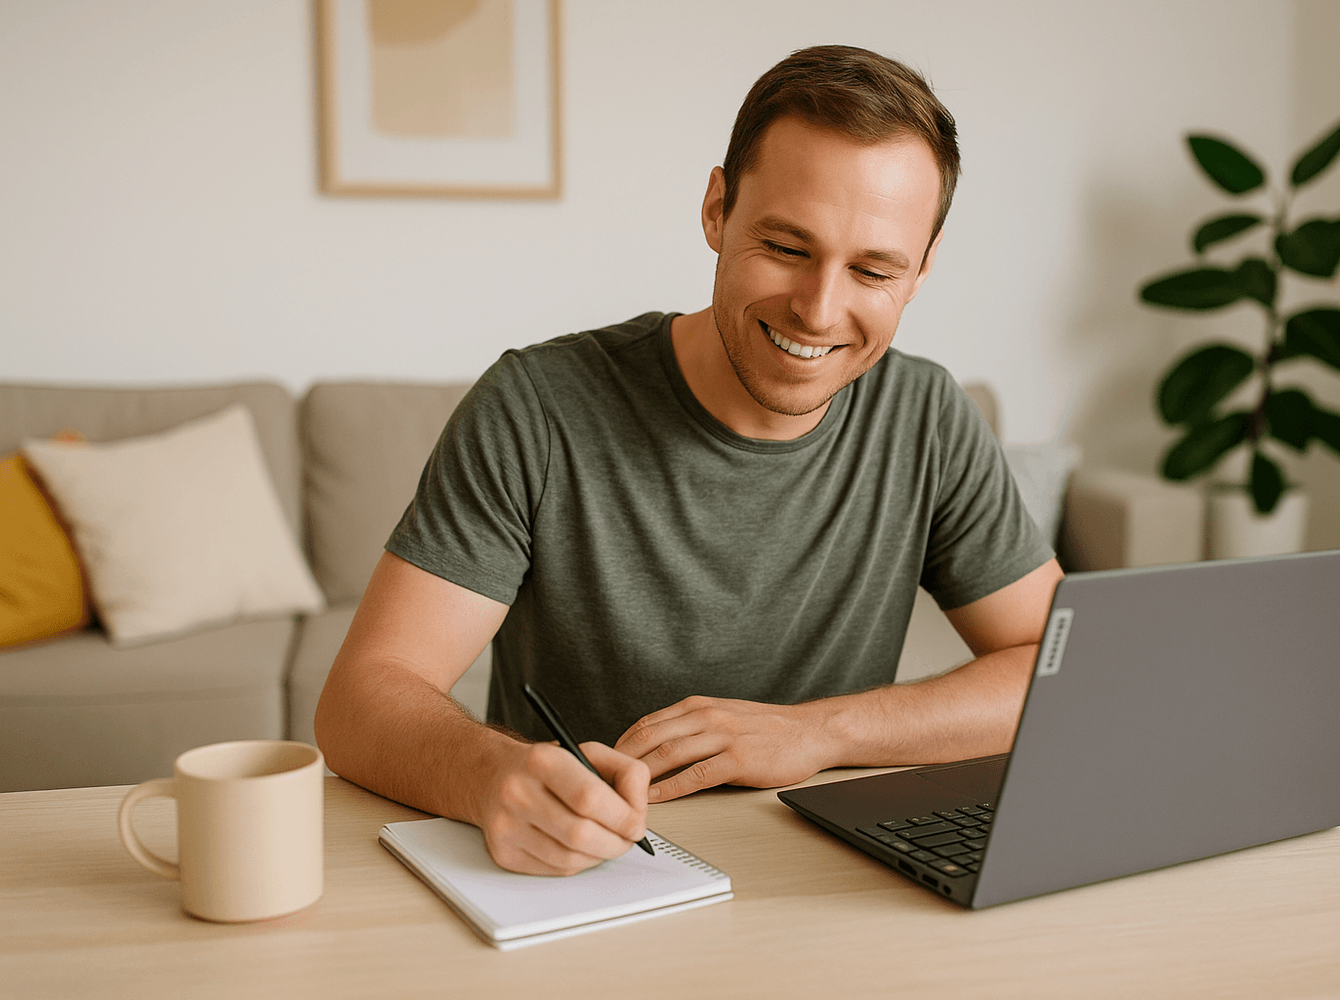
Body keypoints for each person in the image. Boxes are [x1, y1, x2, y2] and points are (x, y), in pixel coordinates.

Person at [315, 45, 1063, 878]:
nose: (818, 311)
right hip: (584, 877)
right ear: (716, 210)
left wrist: (820, 732)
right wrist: (491, 776)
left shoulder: (926, 416)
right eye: (786, 246)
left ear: (921, 270)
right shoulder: (538, 405)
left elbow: (1060, 666)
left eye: (872, 269)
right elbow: (359, 699)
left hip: (827, 881)